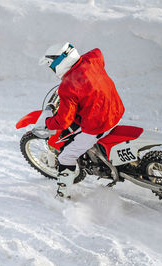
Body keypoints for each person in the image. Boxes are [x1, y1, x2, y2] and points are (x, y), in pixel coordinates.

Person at [37, 42, 125, 198]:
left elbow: (63, 121)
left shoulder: (68, 86)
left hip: (100, 124)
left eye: (51, 66)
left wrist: (48, 123)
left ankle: (62, 195)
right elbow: (98, 54)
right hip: (116, 109)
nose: (52, 70)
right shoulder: (93, 59)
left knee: (66, 156)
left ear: (60, 63)